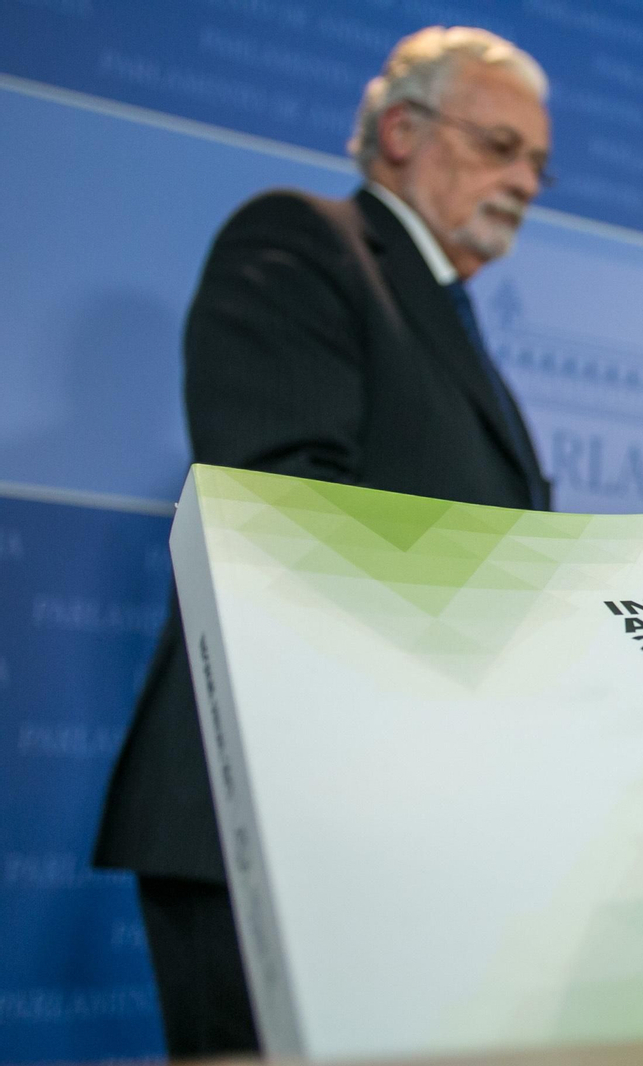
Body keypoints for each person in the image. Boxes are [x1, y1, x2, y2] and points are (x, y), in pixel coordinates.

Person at [93, 27, 554, 1057]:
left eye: (537, 162)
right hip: (273, 811)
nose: (525, 181)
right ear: (401, 131)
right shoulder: (301, 243)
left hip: (400, 814)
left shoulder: (447, 319)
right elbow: (285, 514)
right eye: (499, 146)